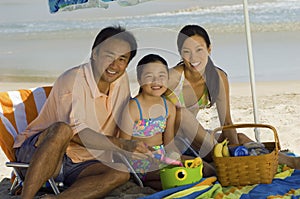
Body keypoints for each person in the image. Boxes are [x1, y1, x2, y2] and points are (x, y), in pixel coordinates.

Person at [13, 26, 152, 199]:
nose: (114, 65)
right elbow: (78, 134)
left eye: (122, 59)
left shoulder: (120, 79)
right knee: (63, 129)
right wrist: (123, 145)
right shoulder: (73, 80)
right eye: (109, 56)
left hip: (82, 161)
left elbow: (128, 115)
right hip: (42, 152)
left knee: (121, 173)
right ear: (94, 54)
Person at [166, 24, 300, 169]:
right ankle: (233, 158)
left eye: (199, 49)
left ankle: (287, 161)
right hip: (174, 144)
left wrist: (234, 143)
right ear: (180, 53)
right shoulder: (171, 78)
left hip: (195, 140)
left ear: (209, 49)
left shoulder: (217, 78)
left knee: (239, 138)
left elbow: (227, 122)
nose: (194, 57)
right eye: (187, 52)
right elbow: (142, 102)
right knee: (181, 114)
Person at [119, 54, 180, 190]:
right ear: (140, 80)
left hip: (162, 157)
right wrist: (148, 156)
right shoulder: (133, 107)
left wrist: (175, 158)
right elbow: (124, 145)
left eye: (161, 76)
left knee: (203, 169)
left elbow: (169, 144)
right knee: (171, 179)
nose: (156, 81)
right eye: (149, 76)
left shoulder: (169, 107)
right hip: (139, 161)